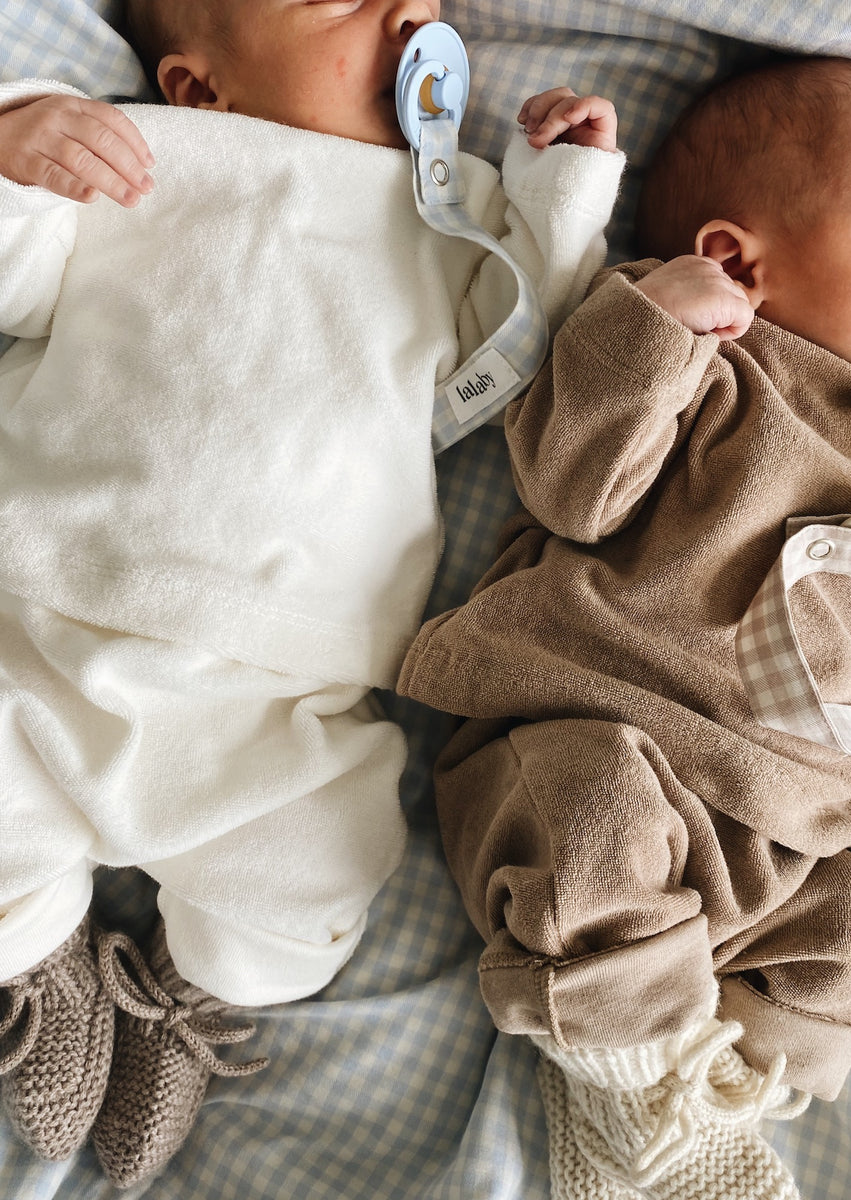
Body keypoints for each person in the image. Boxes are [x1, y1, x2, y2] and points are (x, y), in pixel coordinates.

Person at [0, 0, 626, 1186]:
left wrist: (559, 191)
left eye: (424, 4)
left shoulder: (452, 209)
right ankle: (36, 965)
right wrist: (19, 157)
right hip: (45, 605)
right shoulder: (137, 152)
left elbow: (527, 340)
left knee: (315, 867)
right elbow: (12, 278)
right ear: (198, 88)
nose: (409, 16)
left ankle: (186, 999)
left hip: (282, 678)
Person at [397, 54, 851, 1200]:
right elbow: (573, 490)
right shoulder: (713, 365)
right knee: (589, 831)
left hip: (787, 817)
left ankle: (720, 1095)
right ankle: (635, 1089)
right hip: (596, 725)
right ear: (734, 261)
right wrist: (652, 333)